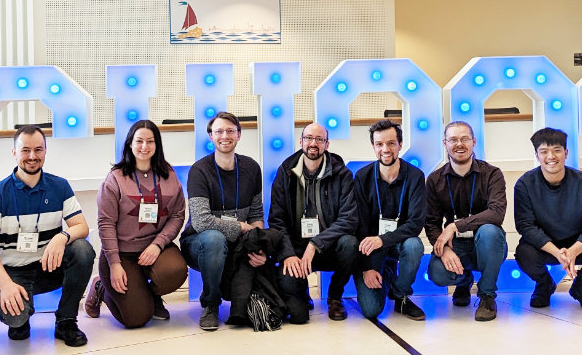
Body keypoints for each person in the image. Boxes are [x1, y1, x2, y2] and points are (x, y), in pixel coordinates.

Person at [0, 125, 96, 346]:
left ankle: (66, 320)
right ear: (14, 153)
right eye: (25, 150)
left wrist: (61, 237)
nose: (32, 156)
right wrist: (6, 285)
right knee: (16, 320)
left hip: (48, 266)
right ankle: (22, 315)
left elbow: (81, 226)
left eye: (38, 150)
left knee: (82, 250)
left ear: (45, 151)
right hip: (13, 271)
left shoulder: (59, 186)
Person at [84, 120, 188, 328]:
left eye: (150, 141)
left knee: (175, 270)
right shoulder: (115, 179)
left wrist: (158, 244)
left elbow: (178, 215)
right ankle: (101, 288)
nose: (144, 146)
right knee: (136, 319)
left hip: (155, 250)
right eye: (139, 141)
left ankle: (150, 294)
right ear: (130, 144)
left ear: (157, 145)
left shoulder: (169, 175)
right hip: (122, 254)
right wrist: (114, 263)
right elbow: (106, 224)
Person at [514, 127, 582, 312]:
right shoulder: (525, 184)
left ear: (566, 153)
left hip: (579, 244)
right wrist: (558, 253)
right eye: (544, 151)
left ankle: (581, 288)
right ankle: (544, 285)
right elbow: (525, 226)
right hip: (546, 246)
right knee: (524, 253)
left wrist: (572, 251)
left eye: (556, 150)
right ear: (537, 155)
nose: (551, 156)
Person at [180, 112, 266, 331]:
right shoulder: (199, 171)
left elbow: (256, 215)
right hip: (199, 243)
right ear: (211, 136)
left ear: (239, 135)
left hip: (239, 240)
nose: (224, 136)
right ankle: (210, 304)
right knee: (214, 239)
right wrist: (240, 227)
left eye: (230, 131)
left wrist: (257, 244)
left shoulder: (252, 168)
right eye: (219, 131)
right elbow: (201, 222)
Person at [269, 122, 360, 322]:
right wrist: (287, 254)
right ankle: (302, 292)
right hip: (296, 249)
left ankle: (335, 296)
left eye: (319, 139)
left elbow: (349, 219)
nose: (313, 143)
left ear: (327, 145)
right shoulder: (285, 173)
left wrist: (315, 243)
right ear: (301, 141)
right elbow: (276, 220)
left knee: (350, 244)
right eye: (309, 138)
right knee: (299, 315)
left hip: (329, 246)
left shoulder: (342, 174)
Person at [425, 121, 508, 322]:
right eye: (453, 140)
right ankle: (464, 280)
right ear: (445, 143)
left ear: (474, 142)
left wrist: (455, 225)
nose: (459, 144)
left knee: (490, 231)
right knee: (437, 273)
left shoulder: (492, 174)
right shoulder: (435, 180)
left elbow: (496, 213)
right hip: (456, 245)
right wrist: (443, 249)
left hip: (488, 244)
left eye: (464, 139)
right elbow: (431, 222)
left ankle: (486, 296)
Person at [352, 120, 427, 321]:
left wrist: (383, 240)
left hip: (398, 243)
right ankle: (385, 272)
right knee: (371, 310)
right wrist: (367, 267)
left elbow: (415, 223)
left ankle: (400, 295)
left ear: (400, 145)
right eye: (379, 144)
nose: (385, 149)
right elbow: (359, 225)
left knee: (414, 246)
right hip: (370, 248)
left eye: (391, 143)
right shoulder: (362, 177)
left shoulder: (415, 176)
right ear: (373, 146)